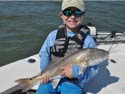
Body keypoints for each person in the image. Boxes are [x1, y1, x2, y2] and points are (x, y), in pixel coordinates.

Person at [36, 0, 99, 94]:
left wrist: (75, 73)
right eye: (67, 12)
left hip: (73, 82)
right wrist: (44, 72)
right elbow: (44, 53)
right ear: (61, 15)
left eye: (77, 12)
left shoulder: (89, 41)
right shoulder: (53, 35)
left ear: (83, 15)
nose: (72, 16)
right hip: (50, 79)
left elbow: (93, 69)